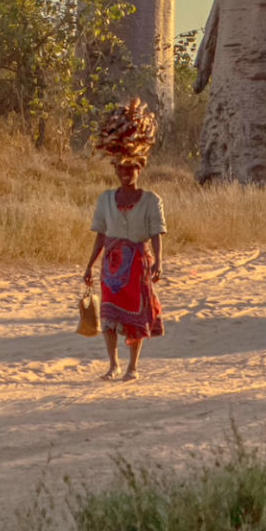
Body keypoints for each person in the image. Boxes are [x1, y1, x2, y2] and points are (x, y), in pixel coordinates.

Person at [82, 153, 166, 381]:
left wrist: (158, 260)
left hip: (138, 264)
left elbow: (156, 233)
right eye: (120, 169)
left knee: (134, 316)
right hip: (111, 265)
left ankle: (133, 366)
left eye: (130, 170)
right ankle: (113, 365)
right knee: (108, 316)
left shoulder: (151, 200)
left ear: (140, 170)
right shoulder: (106, 199)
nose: (125, 174)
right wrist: (90, 265)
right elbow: (100, 234)